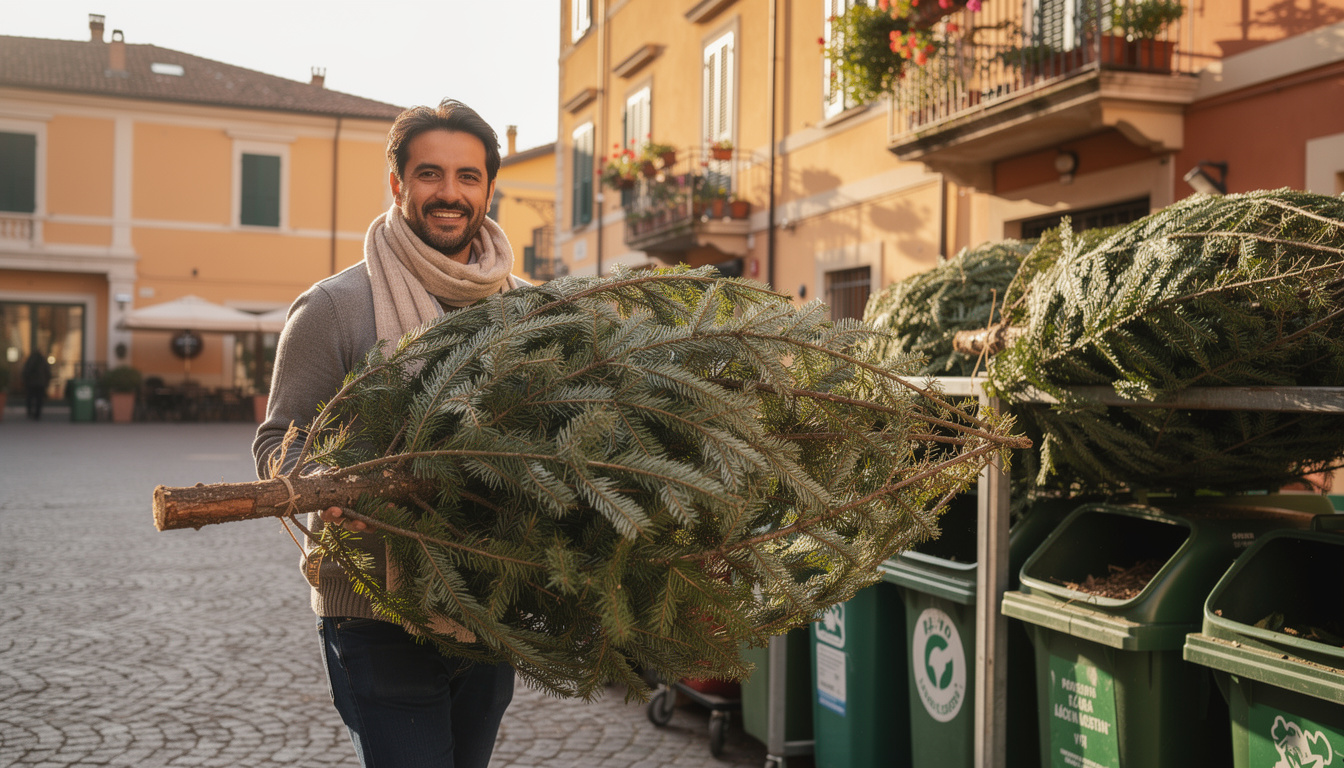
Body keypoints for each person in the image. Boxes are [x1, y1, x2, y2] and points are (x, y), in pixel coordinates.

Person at [253, 99, 527, 768]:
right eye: (430, 174)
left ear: (489, 189)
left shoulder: (529, 309)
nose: (450, 193)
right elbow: (277, 441)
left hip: (490, 600)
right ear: (399, 183)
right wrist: (328, 484)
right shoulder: (334, 307)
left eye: (468, 177)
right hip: (373, 604)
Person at [22, 349, 52, 420]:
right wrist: (46, 382)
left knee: (30, 398)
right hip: (40, 383)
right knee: (39, 399)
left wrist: (25, 381)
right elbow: (48, 372)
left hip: (31, 383)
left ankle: (29, 412)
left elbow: (25, 371)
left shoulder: (30, 360)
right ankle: (37, 414)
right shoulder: (42, 361)